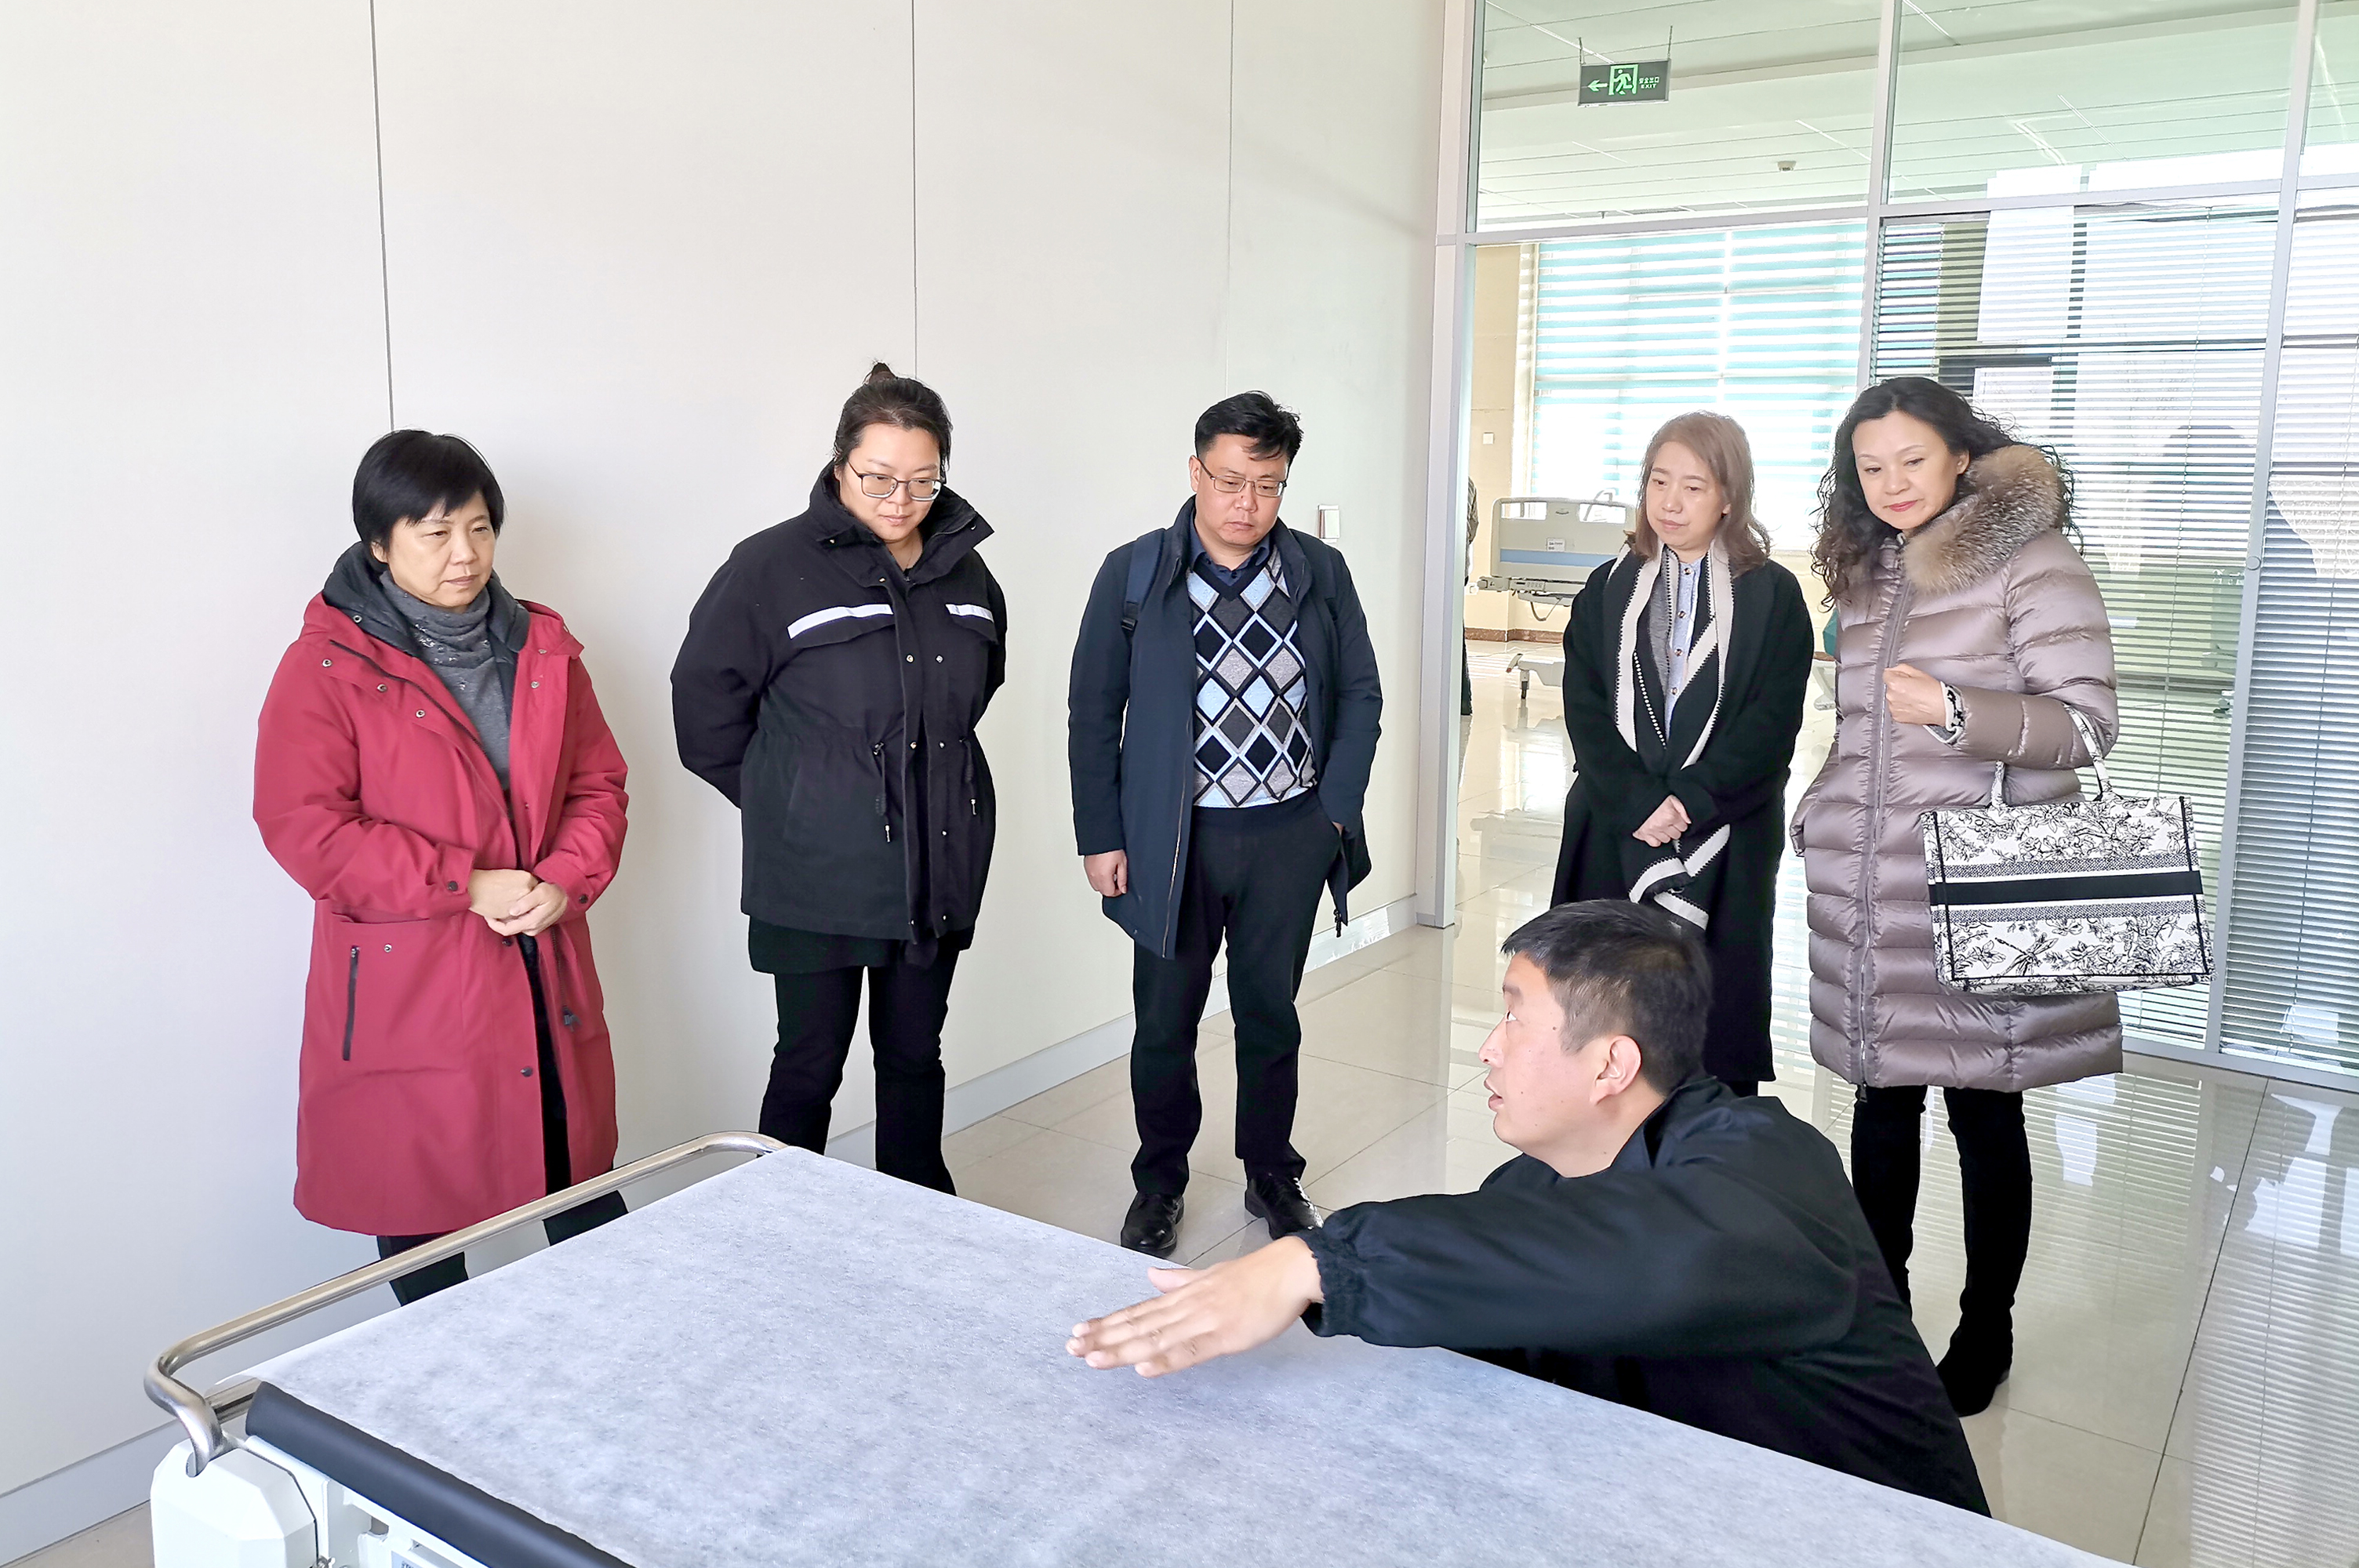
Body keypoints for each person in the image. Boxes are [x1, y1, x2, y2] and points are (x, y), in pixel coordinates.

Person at [1066, 901, 1987, 1515]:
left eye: (1513, 1016)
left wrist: (1320, 1258)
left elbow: (1670, 1257)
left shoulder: (1771, 1162)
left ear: (1611, 1063)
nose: (1488, 1049)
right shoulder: (1532, 1188)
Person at [1795, 376, 2121, 1416]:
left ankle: (1987, 1328)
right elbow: (1856, 731)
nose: (1891, 483)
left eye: (1912, 460)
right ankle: (1880, 1316)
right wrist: (1820, 806)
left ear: (1961, 458)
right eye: (1870, 466)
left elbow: (2086, 726)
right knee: (1880, 1104)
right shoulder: (1868, 573)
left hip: (1987, 881)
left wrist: (1951, 709)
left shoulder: (2036, 562)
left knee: (1985, 1114)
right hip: (1875, 882)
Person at [255, 431, 631, 1305]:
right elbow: (305, 826)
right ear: (379, 544)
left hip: (539, 964)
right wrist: (463, 883)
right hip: (411, 986)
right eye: (435, 533)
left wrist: (564, 880)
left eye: (479, 528)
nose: (464, 553)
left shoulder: (544, 649)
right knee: (422, 1223)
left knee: (581, 1198)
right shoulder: (325, 667)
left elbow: (598, 785)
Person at [673, 364, 1005, 1192]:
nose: (900, 499)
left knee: (914, 1054)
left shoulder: (966, 572)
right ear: (839, 463)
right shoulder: (769, 566)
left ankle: (917, 1215)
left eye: (923, 480)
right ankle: (783, 1227)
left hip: (936, 860)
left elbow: (975, 691)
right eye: (878, 477)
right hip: (813, 874)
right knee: (808, 1060)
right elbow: (704, 709)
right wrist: (797, 798)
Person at [1068, 392, 1382, 1258]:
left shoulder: (1320, 573)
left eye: (1267, 485)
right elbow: (1093, 711)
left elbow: (1360, 692)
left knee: (1269, 1013)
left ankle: (1271, 1171)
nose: (1246, 503)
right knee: (1164, 1021)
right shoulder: (1134, 574)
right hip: (1176, 841)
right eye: (1229, 481)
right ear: (1195, 471)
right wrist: (1100, 834)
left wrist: (1333, 811)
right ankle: (1159, 1181)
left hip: (1289, 833)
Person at [1550, 412, 1812, 1096]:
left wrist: (1691, 800)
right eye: (1658, 482)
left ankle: (1704, 1142)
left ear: (1729, 496)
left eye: (1693, 487)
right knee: (1607, 1009)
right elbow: (1584, 703)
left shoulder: (1772, 594)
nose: (1670, 502)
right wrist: (1638, 801)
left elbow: (1771, 723)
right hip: (1616, 819)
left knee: (1710, 1019)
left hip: (1725, 827)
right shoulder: (1609, 585)